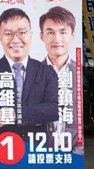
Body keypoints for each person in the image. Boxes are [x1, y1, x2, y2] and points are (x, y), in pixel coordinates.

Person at [0, 8, 58, 139]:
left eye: (22, 32)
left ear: (30, 35)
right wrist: (36, 113)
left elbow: (54, 109)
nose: (15, 40)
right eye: (8, 34)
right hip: (2, 149)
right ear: (0, 37)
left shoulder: (46, 71)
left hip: (37, 148)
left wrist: (13, 115)